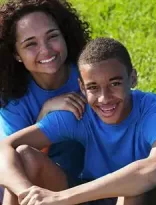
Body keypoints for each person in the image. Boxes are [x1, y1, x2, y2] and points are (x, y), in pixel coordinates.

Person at [0, 37, 156, 205]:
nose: (104, 98)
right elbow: (4, 147)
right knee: (25, 155)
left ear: (132, 78)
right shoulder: (80, 113)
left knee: (132, 187)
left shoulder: (154, 112)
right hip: (89, 195)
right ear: (82, 87)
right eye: (93, 87)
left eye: (114, 84)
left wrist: (62, 198)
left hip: (138, 197)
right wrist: (26, 192)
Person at [0, 0, 90, 203]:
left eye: (52, 37)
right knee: (20, 156)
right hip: (24, 192)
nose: (46, 50)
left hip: (80, 186)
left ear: (64, 35)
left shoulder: (90, 77)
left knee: (25, 156)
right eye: (31, 44)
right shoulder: (13, 96)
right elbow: (6, 158)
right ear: (16, 54)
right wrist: (45, 113)